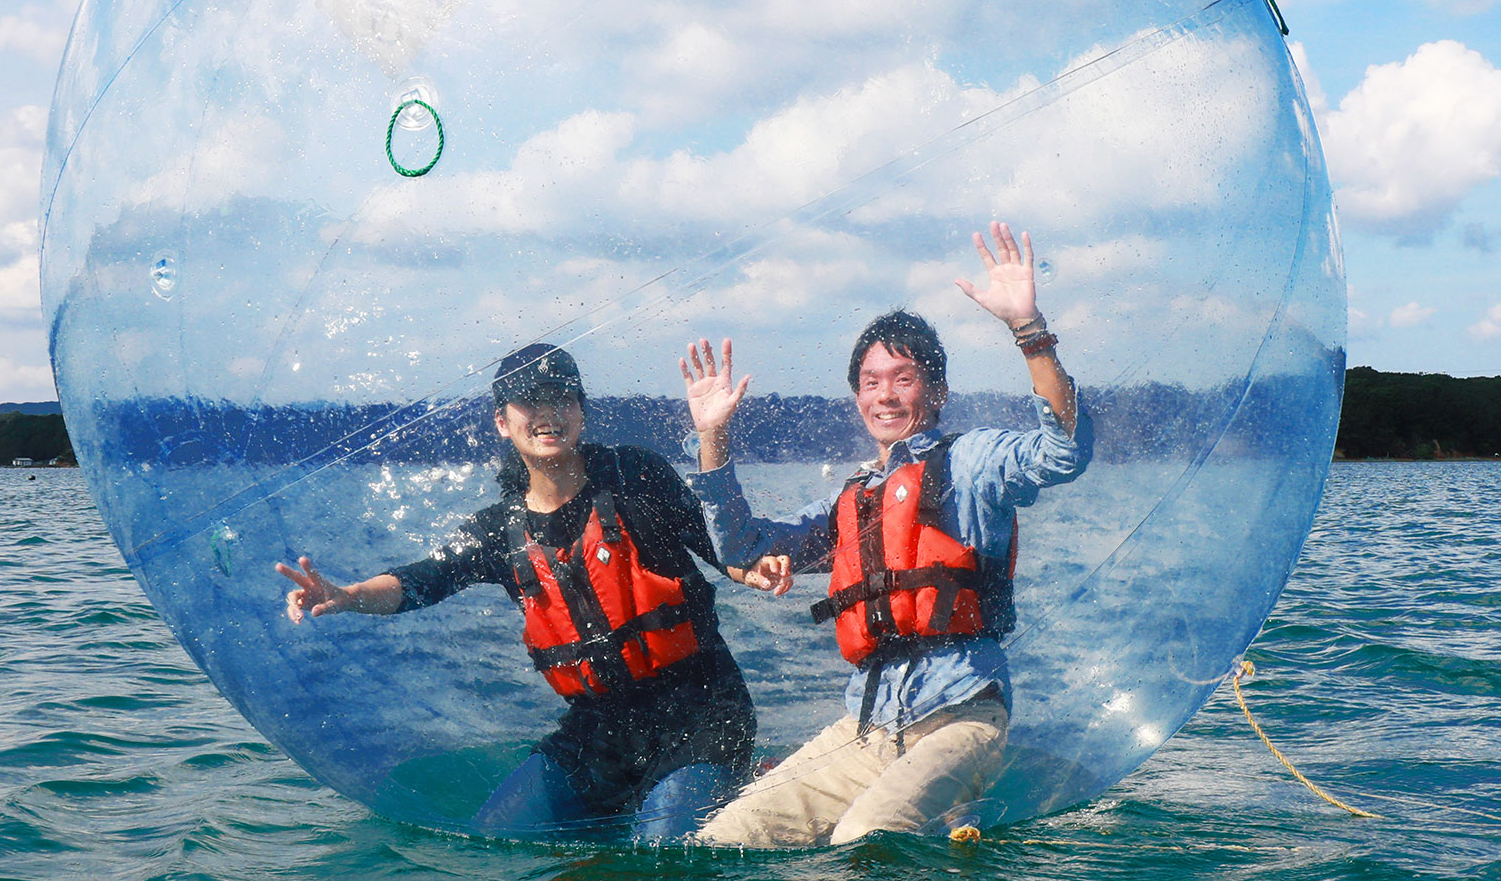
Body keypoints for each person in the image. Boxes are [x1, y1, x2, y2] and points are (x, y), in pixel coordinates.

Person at [680, 221, 1092, 846]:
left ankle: (948, 834)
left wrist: (1028, 331)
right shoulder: (853, 498)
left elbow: (1064, 453)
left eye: (904, 378)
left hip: (961, 718)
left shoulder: (971, 463)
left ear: (938, 391)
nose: (886, 396)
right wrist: (713, 437)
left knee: (864, 837)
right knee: (725, 837)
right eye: (871, 383)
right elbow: (742, 549)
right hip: (867, 729)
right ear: (856, 398)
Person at [277, 343, 772, 843]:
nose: (547, 413)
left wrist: (716, 449)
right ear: (502, 421)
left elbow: (721, 544)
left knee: (663, 850)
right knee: (494, 838)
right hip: (599, 732)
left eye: (561, 398)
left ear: (581, 411)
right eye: (530, 401)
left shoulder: (635, 476)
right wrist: (348, 594)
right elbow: (422, 579)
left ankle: (735, 780)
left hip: (702, 712)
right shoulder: (500, 531)